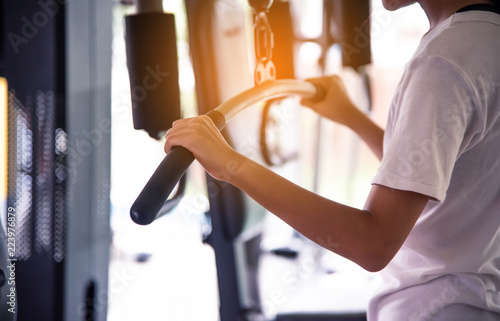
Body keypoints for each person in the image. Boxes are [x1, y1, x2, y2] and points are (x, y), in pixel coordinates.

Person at [164, 0, 500, 319]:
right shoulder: (484, 37)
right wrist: (352, 117)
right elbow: (434, 171)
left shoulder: (443, 62)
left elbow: (373, 244)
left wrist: (229, 163)